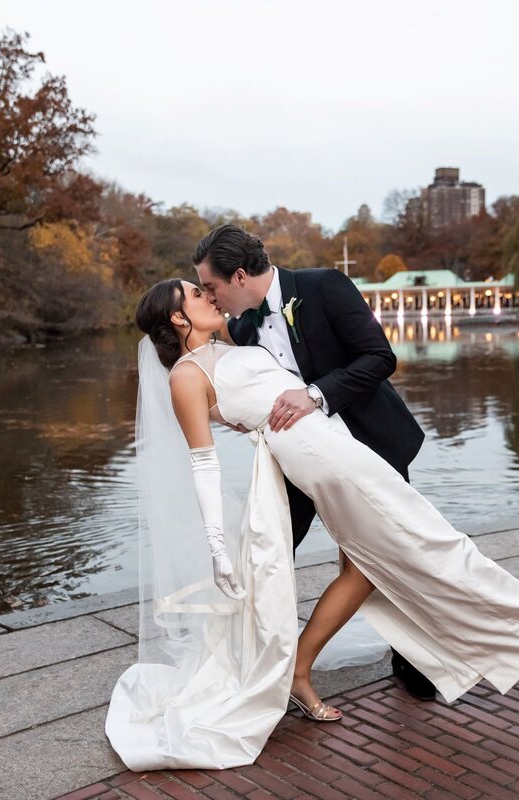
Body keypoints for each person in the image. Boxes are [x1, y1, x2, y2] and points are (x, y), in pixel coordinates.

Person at [104, 276, 519, 772]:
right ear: (176, 317)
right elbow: (204, 463)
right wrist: (217, 546)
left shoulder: (231, 340)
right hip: (324, 461)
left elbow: (279, 368)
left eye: (207, 286)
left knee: (369, 567)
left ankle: (298, 672)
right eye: (195, 294)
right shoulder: (185, 377)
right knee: (434, 539)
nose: (207, 296)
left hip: (339, 442)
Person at [193, 223, 437, 701]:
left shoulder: (325, 285)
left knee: (383, 556)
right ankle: (252, 659)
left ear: (239, 275)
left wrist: (314, 394)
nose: (211, 297)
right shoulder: (242, 326)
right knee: (267, 551)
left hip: (370, 447)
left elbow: (380, 358)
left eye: (212, 287)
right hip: (297, 463)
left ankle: (410, 657)